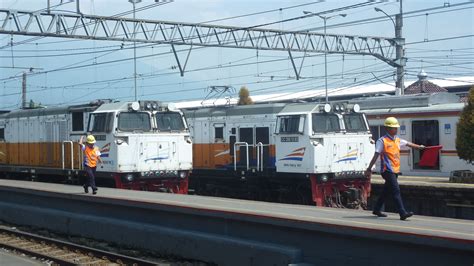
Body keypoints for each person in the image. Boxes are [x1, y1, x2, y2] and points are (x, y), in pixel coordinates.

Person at [365, 117, 425, 220]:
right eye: (394, 128)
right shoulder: (382, 141)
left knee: (386, 191)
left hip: (395, 170)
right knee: (396, 190)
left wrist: (419, 147)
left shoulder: (397, 140)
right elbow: (376, 155)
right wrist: (369, 168)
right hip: (387, 170)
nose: (396, 130)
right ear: (387, 128)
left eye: (396, 128)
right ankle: (402, 213)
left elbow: (408, 144)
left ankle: (376, 209)